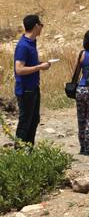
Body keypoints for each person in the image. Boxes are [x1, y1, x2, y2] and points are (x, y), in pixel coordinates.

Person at [13, 15, 51, 147]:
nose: (41, 28)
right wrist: (39, 67)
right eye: (41, 25)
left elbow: (29, 63)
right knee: (25, 123)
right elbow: (19, 69)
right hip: (25, 90)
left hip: (33, 87)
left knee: (34, 120)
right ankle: (18, 154)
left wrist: (41, 64)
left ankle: (29, 152)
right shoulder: (23, 46)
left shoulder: (32, 42)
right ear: (36, 26)